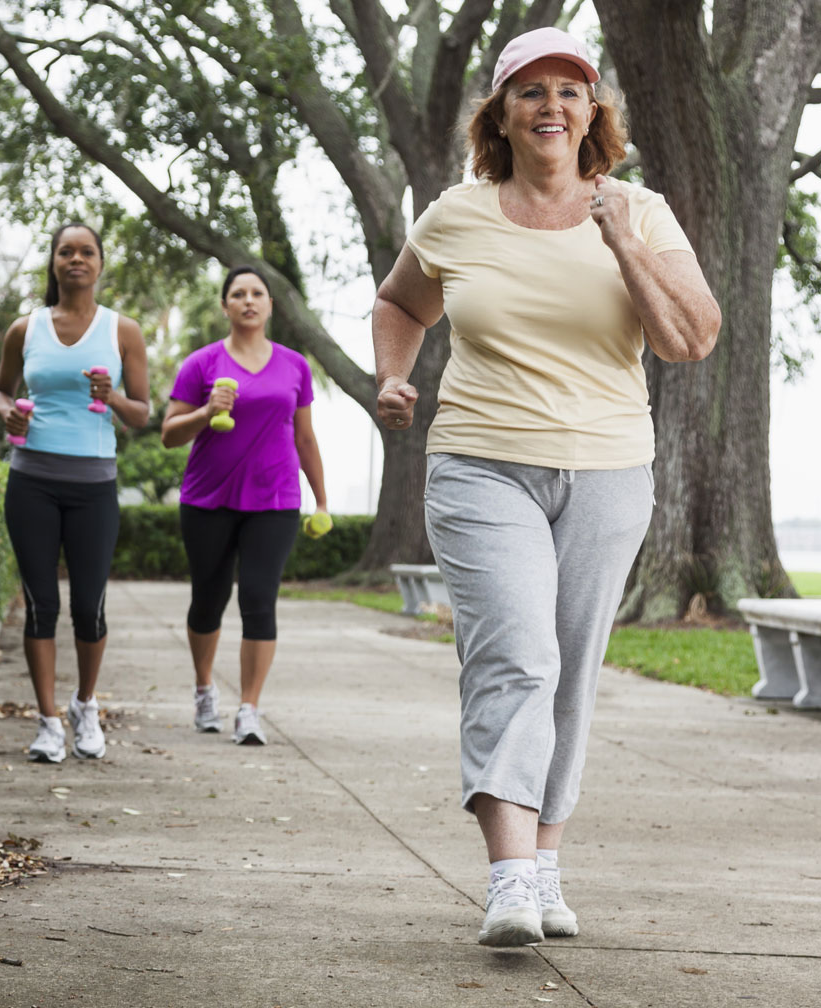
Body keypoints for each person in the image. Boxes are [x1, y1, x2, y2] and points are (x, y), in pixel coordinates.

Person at [370, 27, 720, 947]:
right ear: (501, 114)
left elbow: (691, 339)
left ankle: (545, 863)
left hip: (608, 470)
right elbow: (401, 302)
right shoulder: (456, 215)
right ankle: (509, 878)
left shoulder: (641, 212)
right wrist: (392, 375)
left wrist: (621, 240)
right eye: (531, 91)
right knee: (516, 658)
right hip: (481, 464)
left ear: (593, 112)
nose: (551, 106)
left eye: (570, 90)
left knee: (570, 670)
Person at [0, 223, 151, 764]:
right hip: (31, 482)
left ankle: (85, 705)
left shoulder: (122, 330)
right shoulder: (25, 329)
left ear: (100, 264)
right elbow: (0, 391)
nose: (76, 259)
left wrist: (112, 397)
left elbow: (142, 413)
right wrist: (7, 412)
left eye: (86, 252)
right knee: (41, 605)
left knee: (88, 606)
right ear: (54, 263)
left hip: (93, 487)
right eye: (66, 251)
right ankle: (47, 723)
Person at [161, 266, 328, 745]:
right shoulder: (201, 364)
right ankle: (204, 689)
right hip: (208, 499)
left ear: (270, 305)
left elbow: (305, 437)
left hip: (274, 499)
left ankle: (249, 709)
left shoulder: (294, 366)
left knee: (258, 599)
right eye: (238, 294)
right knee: (208, 599)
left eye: (257, 293)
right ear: (225, 306)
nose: (248, 300)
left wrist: (321, 499)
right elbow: (169, 434)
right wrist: (205, 411)